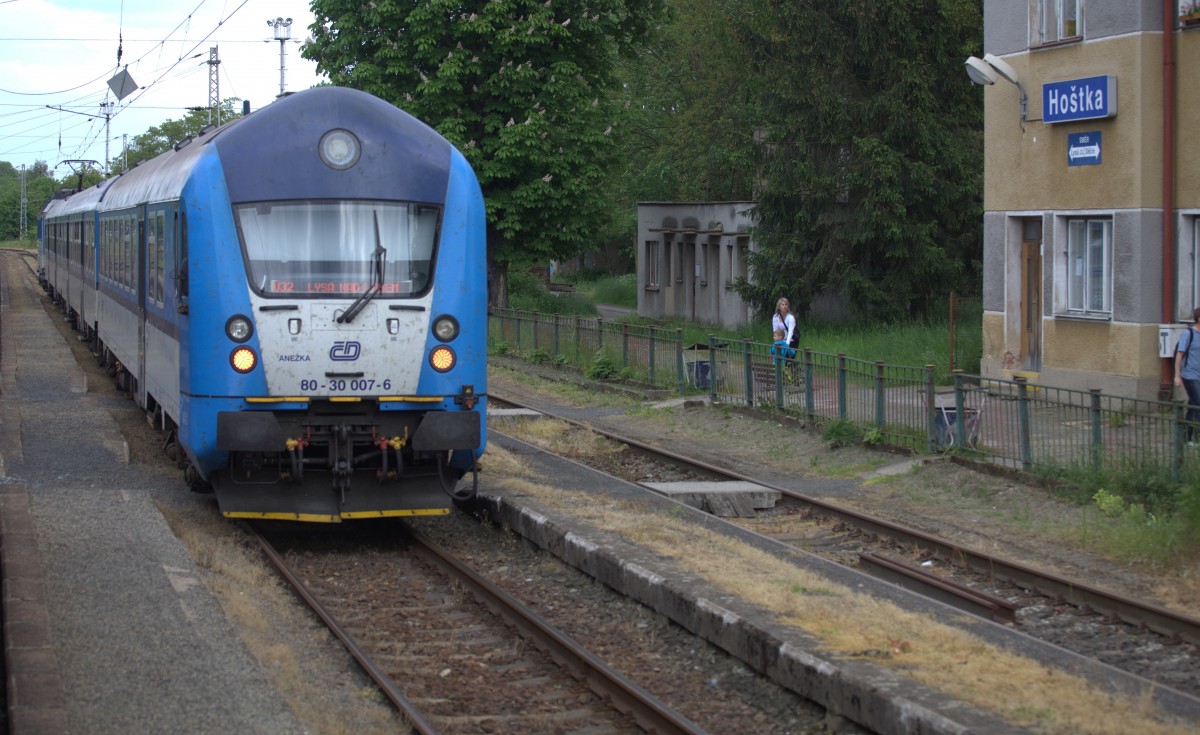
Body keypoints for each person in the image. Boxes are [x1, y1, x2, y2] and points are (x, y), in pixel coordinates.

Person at [1175, 307, 1200, 446]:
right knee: (1198, 404)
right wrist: (1177, 376)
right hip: (1190, 376)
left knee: (1193, 406)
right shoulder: (1189, 334)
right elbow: (1180, 355)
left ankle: (1187, 437)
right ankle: (1197, 437)